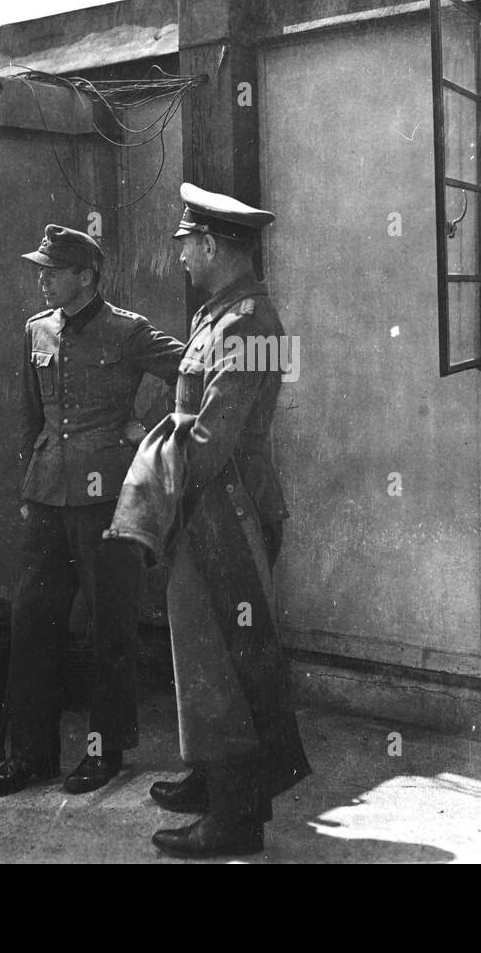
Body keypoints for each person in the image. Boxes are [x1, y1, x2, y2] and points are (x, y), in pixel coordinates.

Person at [109, 183, 310, 859]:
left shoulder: (247, 323)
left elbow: (211, 439)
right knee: (201, 648)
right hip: (206, 503)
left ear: (215, 244)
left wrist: (150, 457)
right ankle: (210, 777)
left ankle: (234, 819)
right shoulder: (220, 312)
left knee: (226, 660)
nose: (181, 257)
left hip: (228, 507)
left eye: (187, 244)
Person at [0, 224, 184, 798]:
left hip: (106, 503)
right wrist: (30, 485)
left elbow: (190, 369)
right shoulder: (36, 331)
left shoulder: (128, 330)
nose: (42, 278)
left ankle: (105, 751)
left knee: (110, 629)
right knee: (32, 624)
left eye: (53, 270)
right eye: (41, 269)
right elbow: (31, 417)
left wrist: (147, 432)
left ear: (86, 277)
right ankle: (32, 754)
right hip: (47, 497)